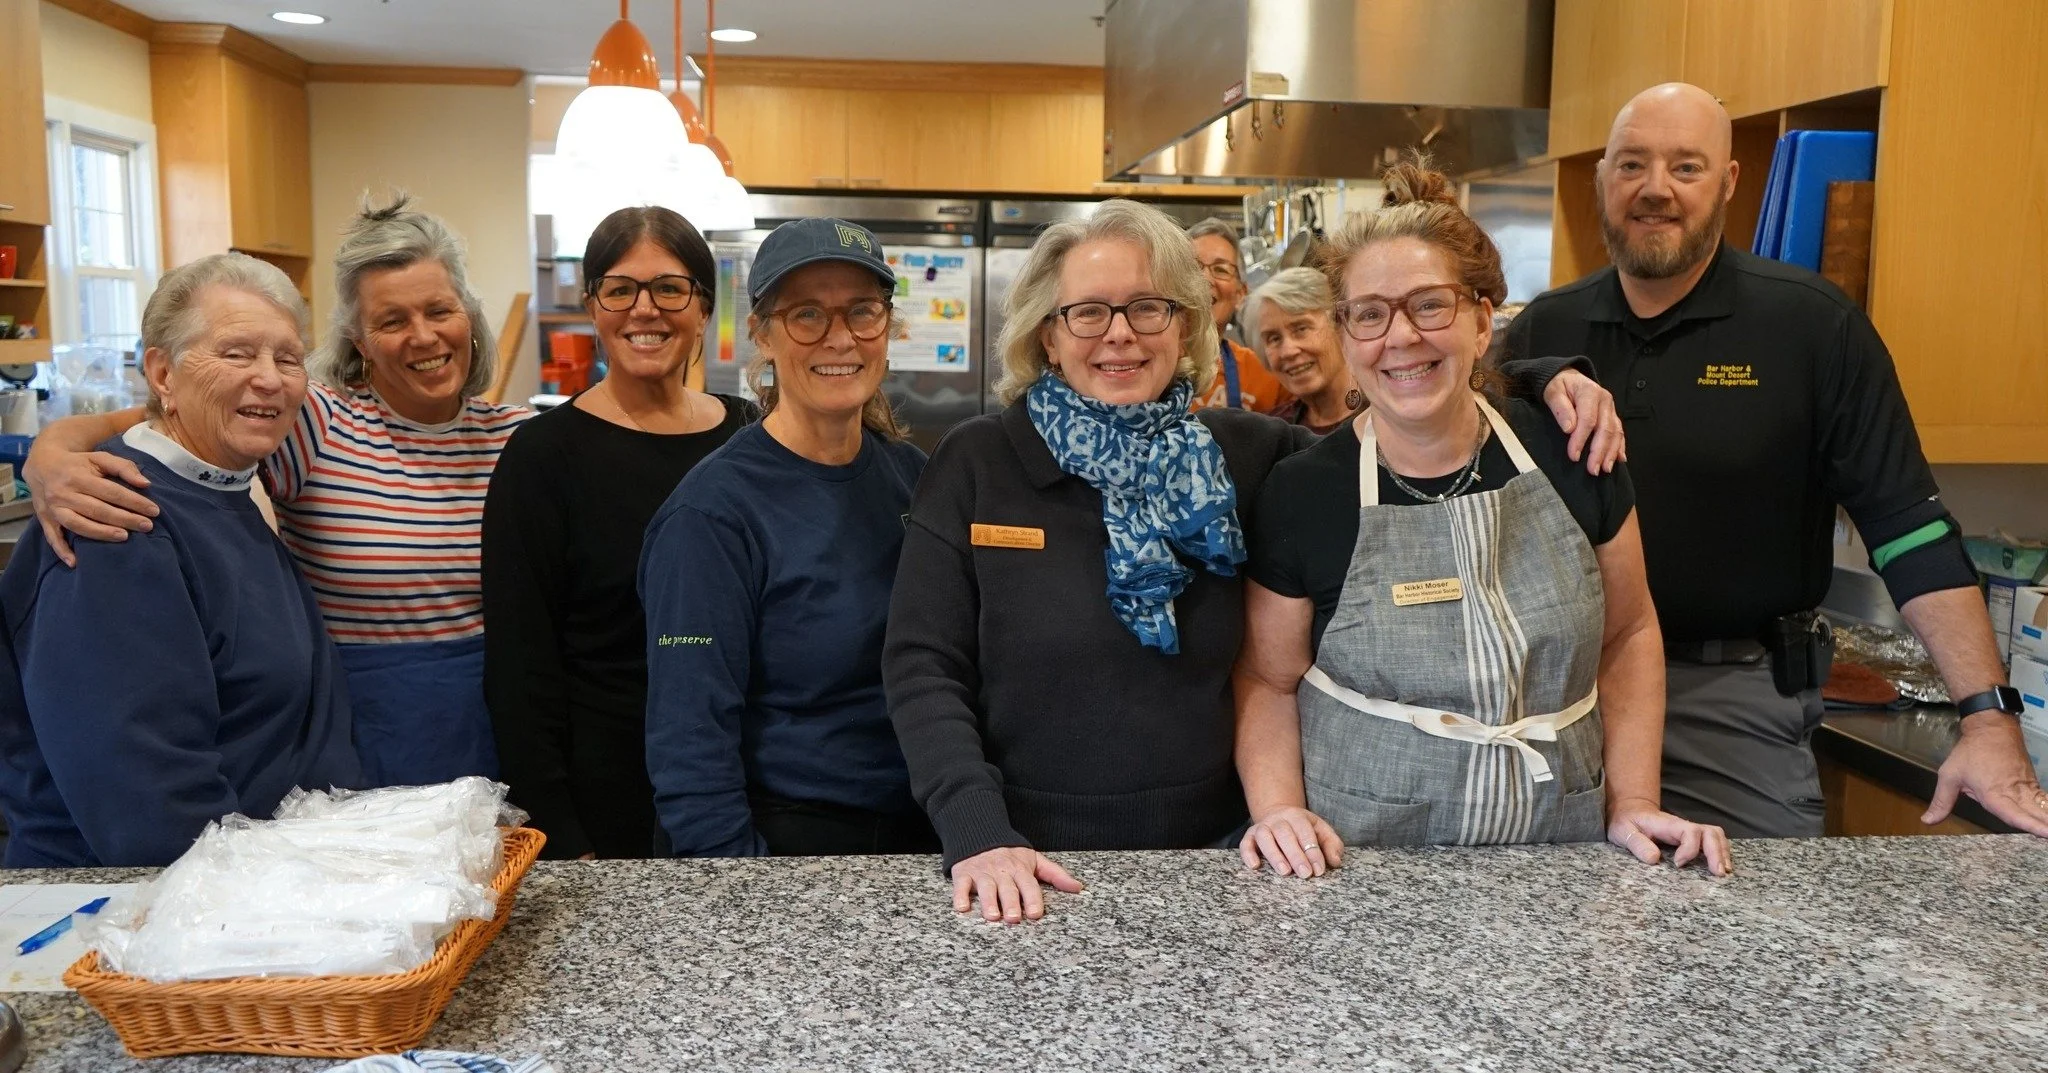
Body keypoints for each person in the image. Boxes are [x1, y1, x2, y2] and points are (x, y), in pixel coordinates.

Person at [885, 200, 1625, 924]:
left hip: (1228, 856)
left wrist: (1542, 383)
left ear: (1185, 326)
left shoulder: (1245, 455)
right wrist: (977, 830)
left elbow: (1408, 418)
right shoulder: (979, 463)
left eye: (1148, 307)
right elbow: (924, 666)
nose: (1120, 333)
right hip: (1024, 857)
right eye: (1088, 312)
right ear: (1048, 335)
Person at [1503, 82, 2048, 838]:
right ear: (1603, 178)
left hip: (1729, 702)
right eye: (1631, 164)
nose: (1655, 188)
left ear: (1729, 182)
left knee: (1749, 904)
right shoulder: (1544, 330)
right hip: (1553, 694)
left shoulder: (1811, 327)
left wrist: (1987, 720)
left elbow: (1909, 531)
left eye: (1685, 167)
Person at [1234, 160, 1731, 879]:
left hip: (1560, 857)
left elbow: (1628, 634)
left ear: (1481, 318)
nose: (1401, 336)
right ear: (1345, 335)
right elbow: (1267, 679)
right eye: (1369, 314)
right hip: (1357, 867)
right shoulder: (1303, 492)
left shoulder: (1572, 449)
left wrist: (1633, 800)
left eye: (1429, 305)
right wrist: (1279, 809)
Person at [22, 194, 531, 789]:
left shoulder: (519, 439)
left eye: (440, 310)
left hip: (493, 719)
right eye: (391, 321)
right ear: (360, 342)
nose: (423, 336)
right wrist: (51, 452)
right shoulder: (318, 420)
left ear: (468, 315)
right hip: (357, 731)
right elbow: (168, 417)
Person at [0, 254, 361, 867]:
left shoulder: (222, 485)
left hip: (273, 873)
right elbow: (149, 805)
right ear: (163, 373)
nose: (269, 379)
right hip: (152, 903)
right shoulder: (115, 518)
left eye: (288, 358)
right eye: (237, 353)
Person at [642, 218, 935, 857]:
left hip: (919, 830)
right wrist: (741, 887)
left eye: (862, 311)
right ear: (762, 333)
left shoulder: (912, 477)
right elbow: (690, 738)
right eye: (807, 314)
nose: (841, 338)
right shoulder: (710, 516)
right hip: (790, 840)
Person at [483, 206, 755, 861]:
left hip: (742, 781)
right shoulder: (543, 455)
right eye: (620, 289)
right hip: (603, 797)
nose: (645, 309)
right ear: (592, 305)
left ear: (703, 308)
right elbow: (521, 666)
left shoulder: (748, 435)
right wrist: (558, 832)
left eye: (669, 288)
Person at [1186, 218, 1291, 414]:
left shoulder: (1265, 373)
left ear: (1241, 294)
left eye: (1221, 269)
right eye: (1193, 267)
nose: (1205, 278)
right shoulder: (1148, 364)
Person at [1247, 268, 1359, 435]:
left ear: (1340, 327)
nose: (1288, 351)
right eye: (1274, 338)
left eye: (1301, 329)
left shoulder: (1388, 410)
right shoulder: (1271, 435)